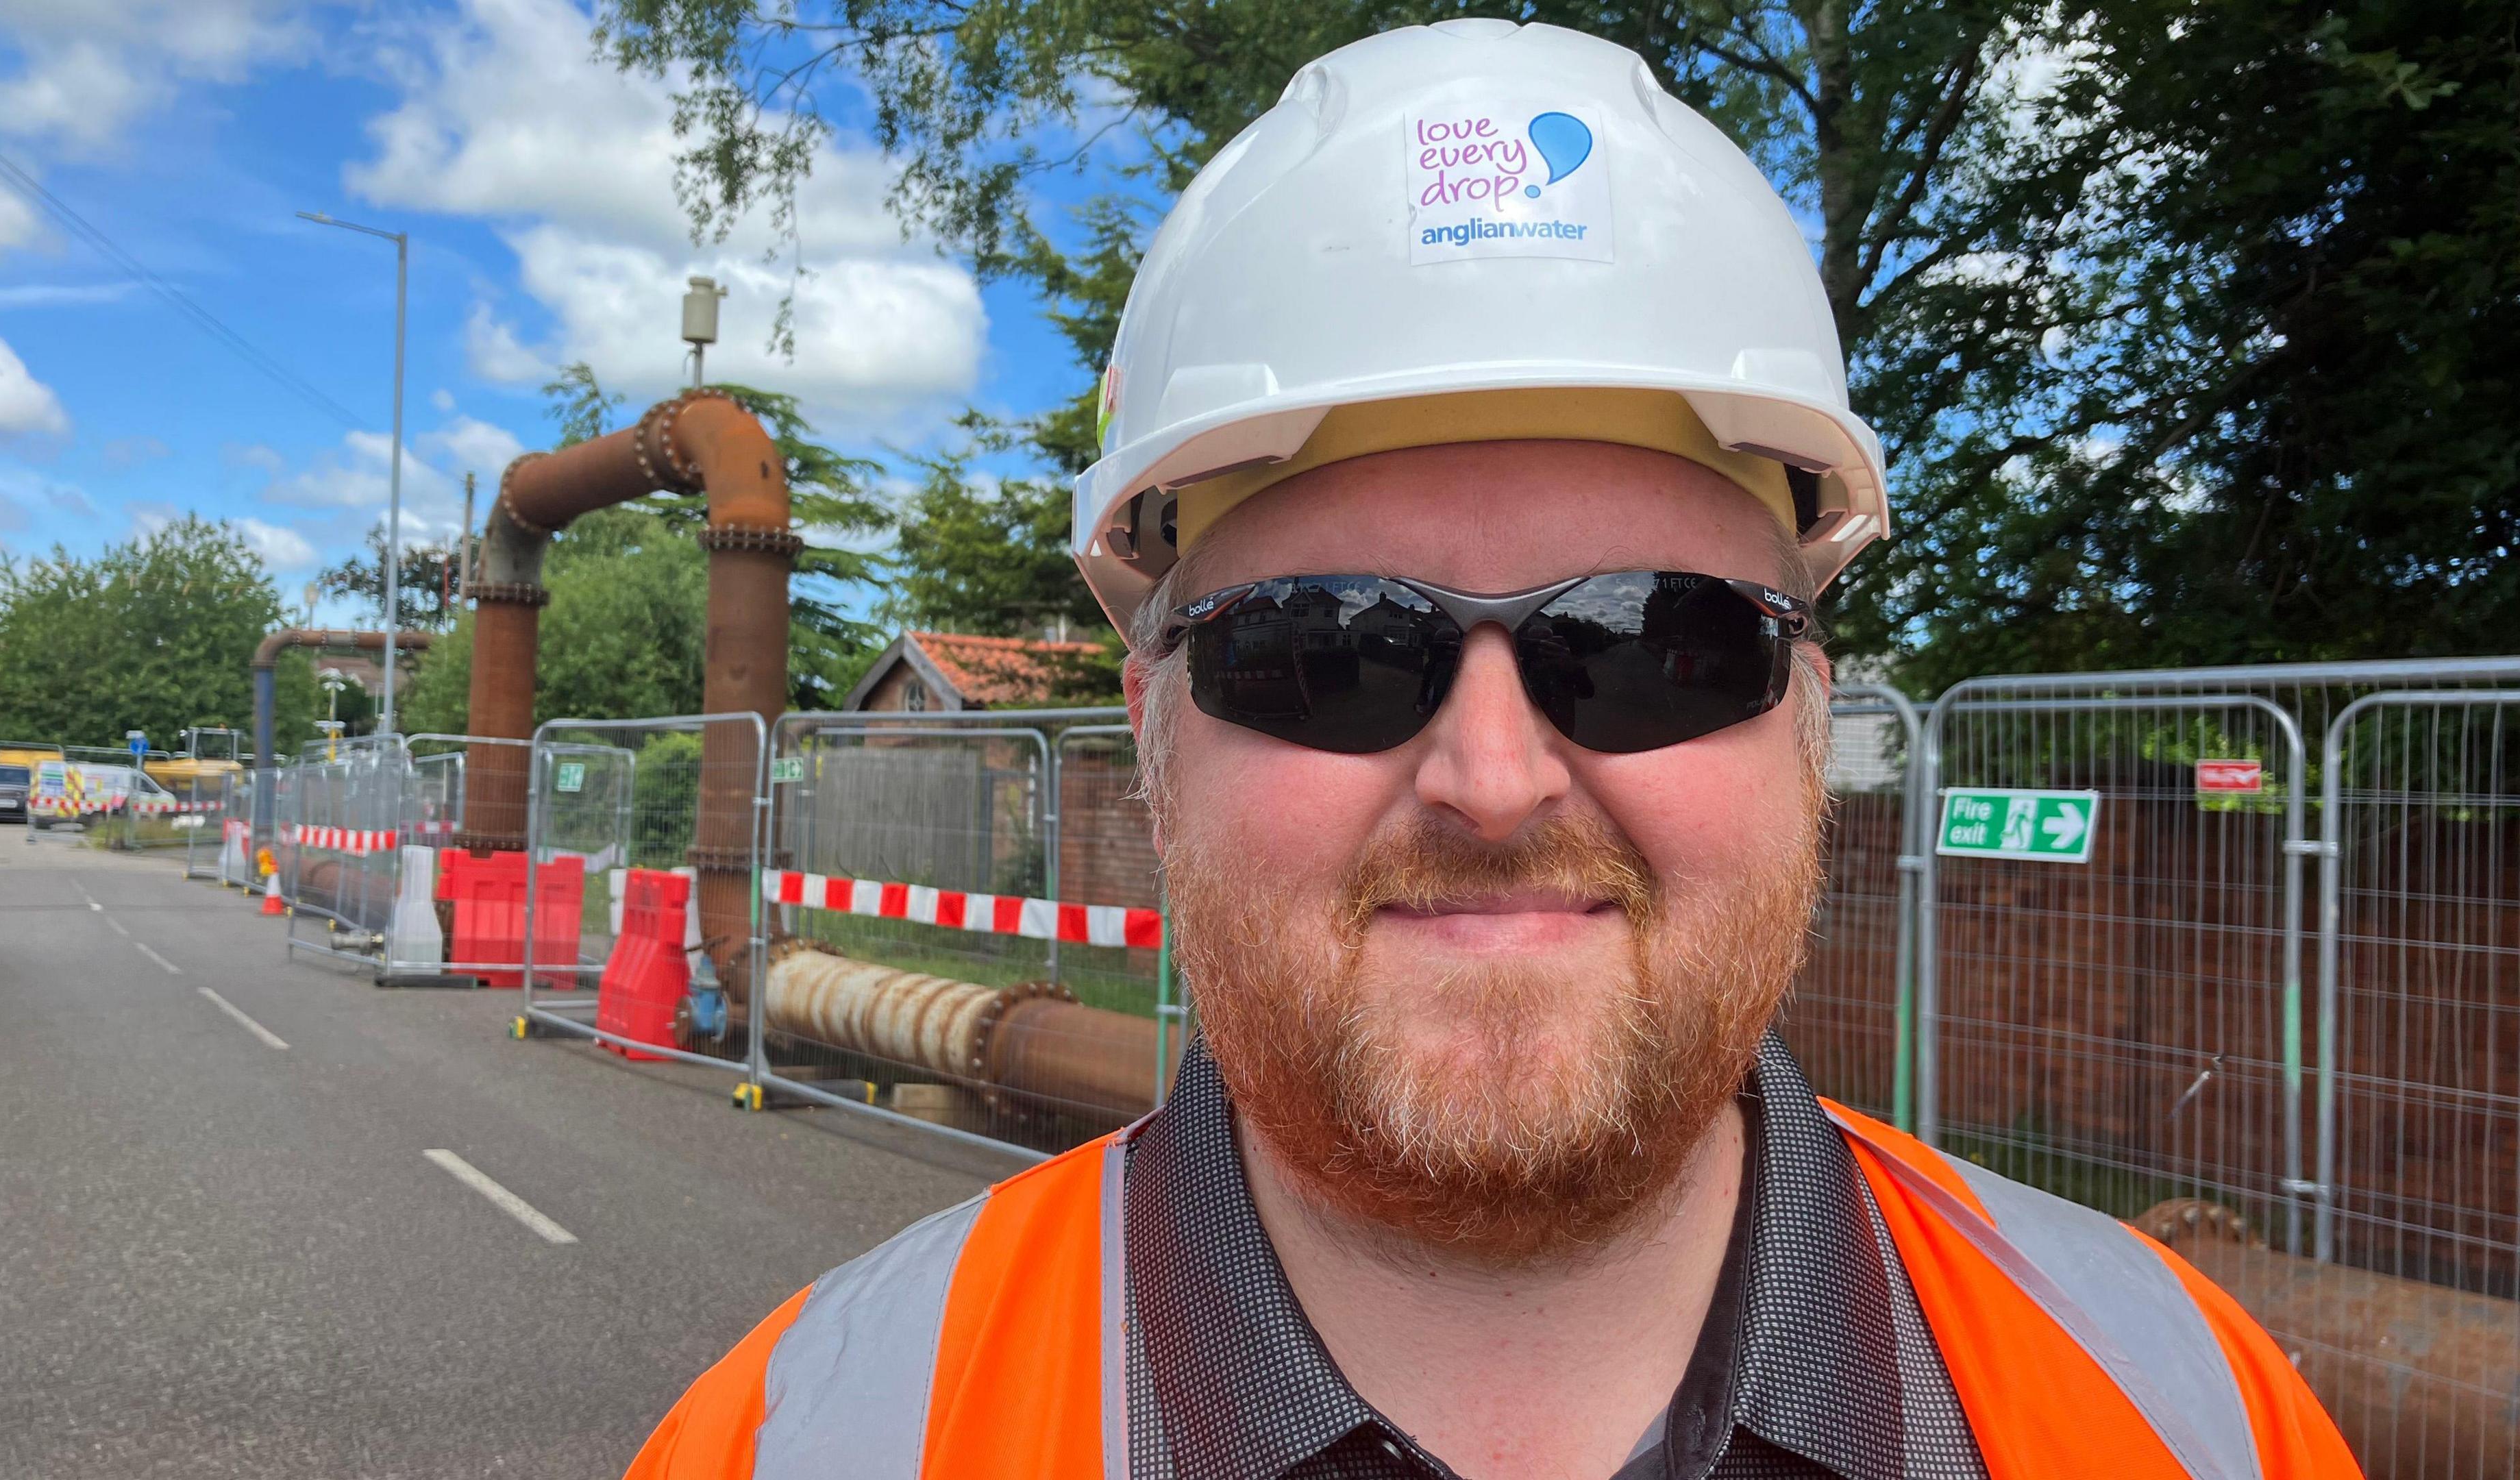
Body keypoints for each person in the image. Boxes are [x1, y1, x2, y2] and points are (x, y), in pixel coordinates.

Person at [628, 19, 2356, 1480]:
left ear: (1812, 723)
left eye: (1652, 644)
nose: (1495, 776)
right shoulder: (804, 1435)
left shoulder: (2193, 1414)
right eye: (1324, 652)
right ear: (1156, 737)